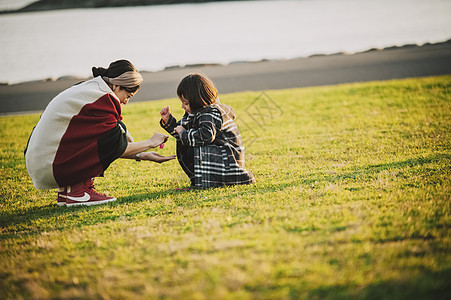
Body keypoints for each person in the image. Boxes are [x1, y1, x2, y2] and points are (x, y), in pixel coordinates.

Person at [25, 59, 175, 206]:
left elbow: (106, 145)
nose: (125, 102)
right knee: (115, 132)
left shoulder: (91, 87)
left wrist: (142, 155)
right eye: (128, 96)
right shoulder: (104, 99)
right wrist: (150, 143)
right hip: (52, 164)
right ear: (116, 85)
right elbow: (111, 144)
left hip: (40, 160)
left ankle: (69, 190)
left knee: (116, 129)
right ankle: (79, 192)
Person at [159, 73, 255, 189]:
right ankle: (200, 182)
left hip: (228, 164)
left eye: (186, 103)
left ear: (197, 101)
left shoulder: (210, 114)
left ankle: (207, 183)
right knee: (189, 140)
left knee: (194, 141)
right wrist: (169, 122)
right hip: (221, 162)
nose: (182, 106)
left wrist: (183, 133)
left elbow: (205, 136)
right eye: (182, 102)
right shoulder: (197, 112)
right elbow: (184, 130)